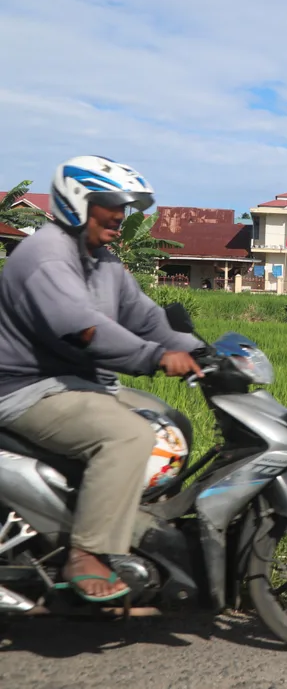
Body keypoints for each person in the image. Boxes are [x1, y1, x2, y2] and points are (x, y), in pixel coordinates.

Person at [0, 156, 203, 603]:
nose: (121, 215)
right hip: (25, 389)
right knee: (128, 436)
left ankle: (131, 522)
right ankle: (87, 553)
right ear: (78, 202)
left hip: (74, 383)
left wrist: (199, 350)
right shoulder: (46, 256)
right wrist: (155, 358)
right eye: (111, 204)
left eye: (125, 206)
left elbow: (146, 318)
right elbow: (84, 328)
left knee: (171, 423)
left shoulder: (103, 261)